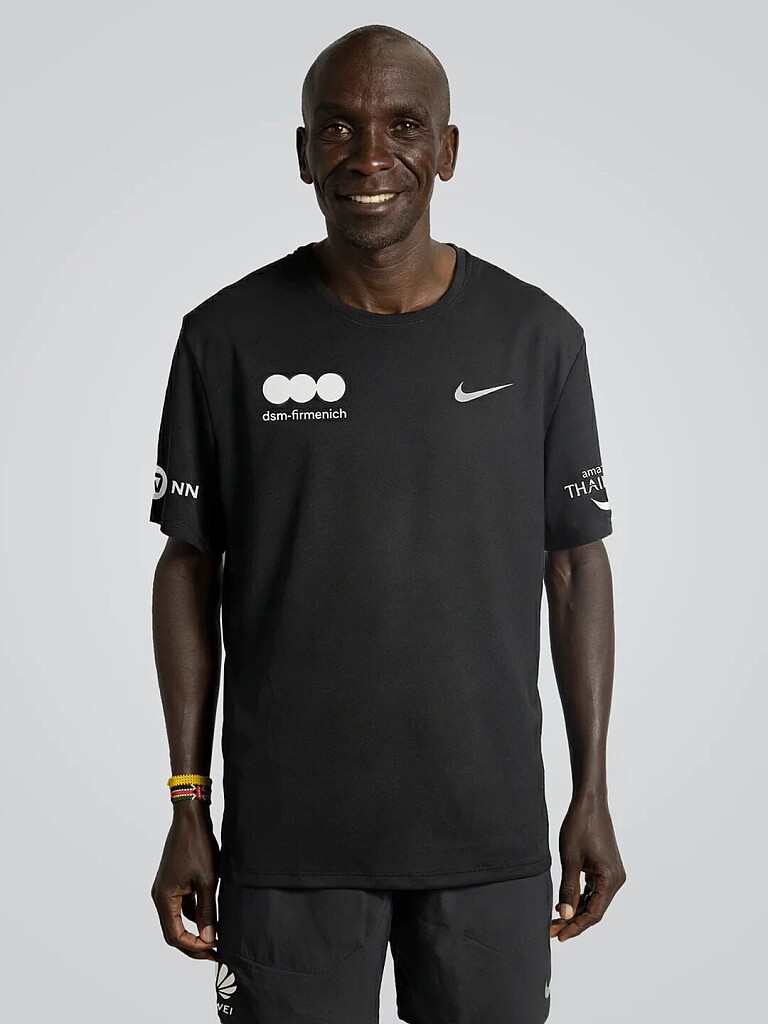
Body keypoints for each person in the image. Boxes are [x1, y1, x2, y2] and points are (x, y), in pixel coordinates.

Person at [149, 23, 626, 1024]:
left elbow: (576, 564)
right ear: (303, 152)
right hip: (287, 846)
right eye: (339, 128)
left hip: (487, 839)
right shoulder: (224, 338)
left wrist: (591, 790)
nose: (370, 157)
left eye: (403, 126)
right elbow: (188, 567)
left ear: (446, 150)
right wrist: (189, 802)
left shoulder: (538, 338)